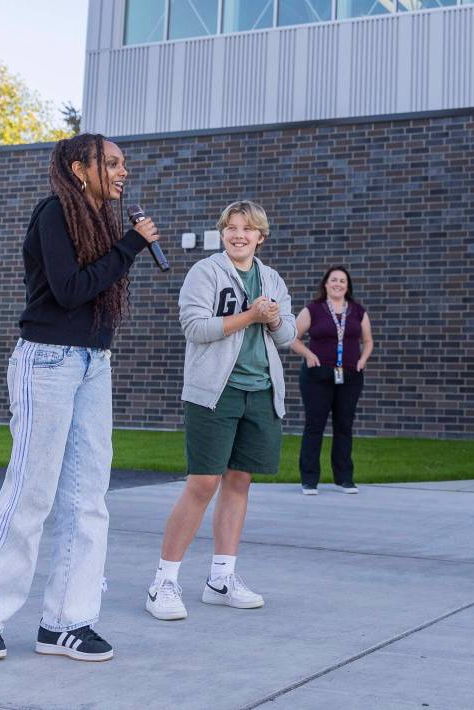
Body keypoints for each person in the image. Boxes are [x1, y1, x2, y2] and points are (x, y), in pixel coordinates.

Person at [0, 134, 159, 662]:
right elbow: (68, 289)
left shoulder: (100, 224)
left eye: (123, 163)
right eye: (111, 163)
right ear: (79, 168)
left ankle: (67, 621)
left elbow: (93, 289)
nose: (122, 172)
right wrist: (131, 245)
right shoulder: (53, 213)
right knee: (31, 492)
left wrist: (123, 244)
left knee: (88, 498)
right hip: (46, 361)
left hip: (92, 363)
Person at [145, 200, 295, 621]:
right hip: (214, 392)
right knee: (202, 482)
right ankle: (164, 583)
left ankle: (221, 579)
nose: (238, 235)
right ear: (222, 233)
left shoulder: (272, 278)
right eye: (231, 228)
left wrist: (271, 317)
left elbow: (285, 335)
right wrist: (251, 314)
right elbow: (194, 327)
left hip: (260, 391)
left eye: (247, 229)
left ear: (260, 236)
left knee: (239, 481)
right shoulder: (206, 272)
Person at [290, 267, 374, 494]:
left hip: (350, 376)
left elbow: (368, 341)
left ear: (348, 286)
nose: (338, 284)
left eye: (343, 281)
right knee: (314, 426)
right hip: (317, 376)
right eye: (334, 280)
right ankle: (309, 480)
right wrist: (308, 354)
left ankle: (344, 479)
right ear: (325, 284)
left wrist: (363, 359)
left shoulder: (358, 311)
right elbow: (292, 338)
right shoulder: (313, 310)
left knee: (344, 427)